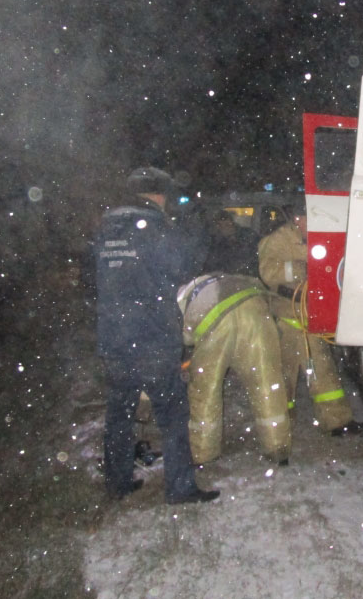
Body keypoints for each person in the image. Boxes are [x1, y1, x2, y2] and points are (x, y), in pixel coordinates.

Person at [94, 166, 220, 504]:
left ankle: (118, 482)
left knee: (119, 414)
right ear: (160, 195)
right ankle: (180, 488)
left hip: (114, 337)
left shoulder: (106, 229)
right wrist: (196, 227)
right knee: (173, 416)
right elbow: (185, 266)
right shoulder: (156, 228)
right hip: (151, 338)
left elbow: (91, 281)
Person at [257, 205, 363, 436]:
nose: (314, 224)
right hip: (287, 316)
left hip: (310, 314)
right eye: (309, 219)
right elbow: (267, 273)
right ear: (297, 219)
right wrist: (299, 270)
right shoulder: (277, 240)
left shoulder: (318, 238)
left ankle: (337, 421)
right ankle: (279, 425)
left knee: (321, 369)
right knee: (283, 374)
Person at [177, 273, 291, 464]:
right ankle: (277, 446)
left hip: (216, 324)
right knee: (267, 383)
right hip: (255, 311)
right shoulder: (226, 278)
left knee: (205, 390)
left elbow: (187, 337)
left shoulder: (182, 299)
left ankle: (204, 452)